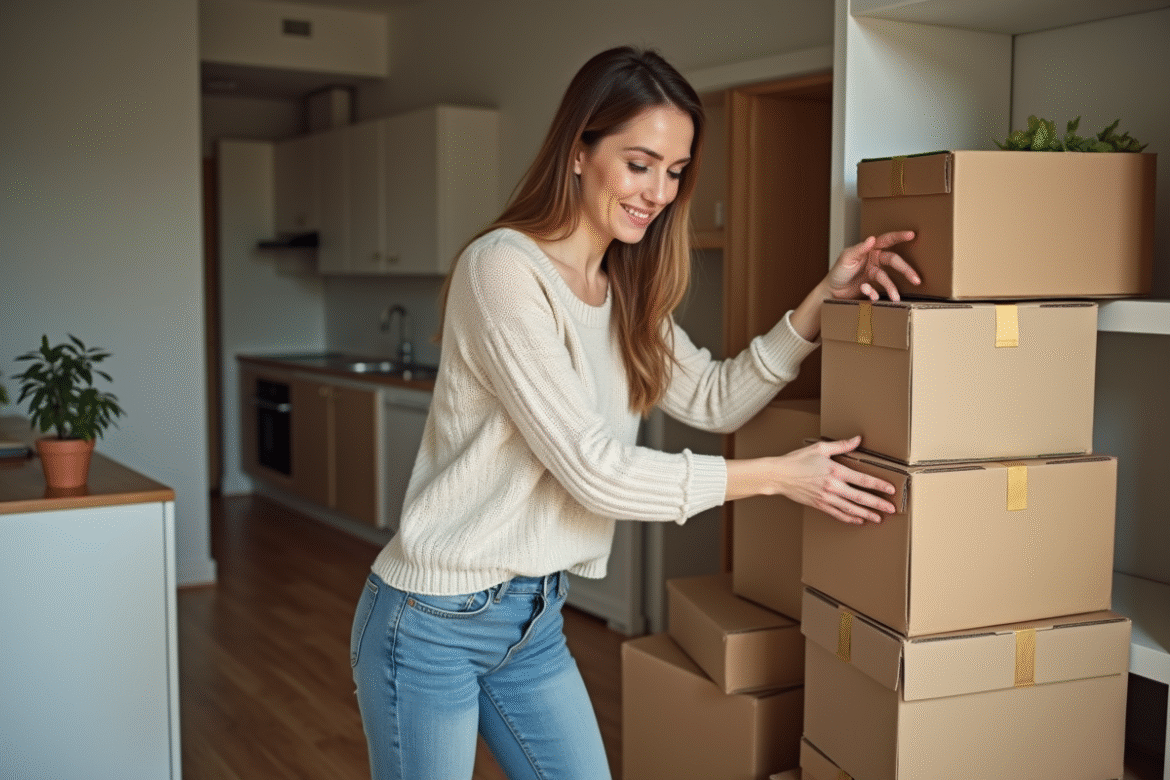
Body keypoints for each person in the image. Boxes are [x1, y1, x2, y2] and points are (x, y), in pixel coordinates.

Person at [350, 45, 918, 780]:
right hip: (431, 621)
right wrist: (779, 476)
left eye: (676, 171)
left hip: (533, 620)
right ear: (580, 149)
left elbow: (717, 399)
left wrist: (821, 302)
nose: (659, 191)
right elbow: (596, 473)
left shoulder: (621, 293)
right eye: (640, 162)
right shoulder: (503, 270)